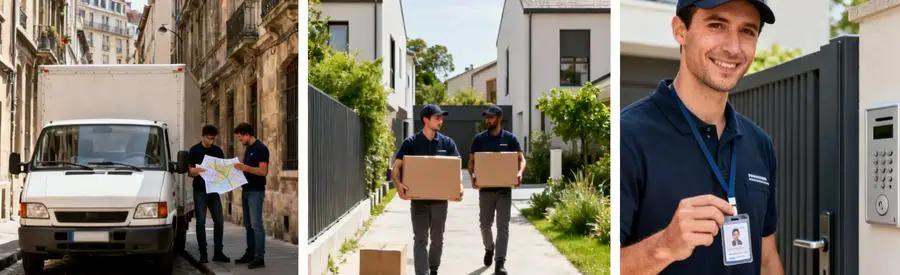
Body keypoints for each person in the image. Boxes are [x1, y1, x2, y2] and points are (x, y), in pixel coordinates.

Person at [620, 0, 784, 274]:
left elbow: (767, 259)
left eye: (747, 31)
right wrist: (664, 246)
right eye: (716, 25)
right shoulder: (629, 135)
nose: (733, 47)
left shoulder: (759, 144)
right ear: (680, 31)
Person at [391, 104, 462, 275]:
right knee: (421, 240)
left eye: (441, 118)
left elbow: (456, 168)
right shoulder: (411, 143)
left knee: (437, 240)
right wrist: (398, 184)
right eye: (437, 117)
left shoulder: (447, 143)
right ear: (425, 119)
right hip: (419, 201)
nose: (441, 121)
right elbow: (396, 168)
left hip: (440, 201)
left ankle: (434, 269)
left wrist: (459, 185)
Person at [466, 105, 525, 275]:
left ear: (499, 118)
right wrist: (473, 176)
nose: (488, 120)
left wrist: (519, 173)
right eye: (487, 118)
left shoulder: (510, 138)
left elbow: (521, 159)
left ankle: (500, 262)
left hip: (504, 190)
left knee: (503, 227)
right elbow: (471, 162)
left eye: (491, 117)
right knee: (485, 225)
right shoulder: (478, 139)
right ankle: (489, 248)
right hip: (485, 190)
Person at [187, 125, 231, 263]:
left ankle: (218, 252)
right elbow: (189, 172)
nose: (210, 141)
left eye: (213, 139)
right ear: (203, 136)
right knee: (200, 222)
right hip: (200, 190)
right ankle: (203, 253)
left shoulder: (217, 151)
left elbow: (223, 171)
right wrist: (201, 170)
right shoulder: (194, 150)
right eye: (208, 138)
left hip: (213, 190)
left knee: (219, 221)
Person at [231, 123, 269, 269]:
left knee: (256, 225)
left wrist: (244, 167)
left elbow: (263, 171)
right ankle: (250, 253)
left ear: (247, 134)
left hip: (256, 191)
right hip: (246, 190)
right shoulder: (248, 149)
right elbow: (248, 171)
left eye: (240, 136)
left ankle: (260, 257)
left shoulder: (261, 149)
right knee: (248, 225)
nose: (239, 139)